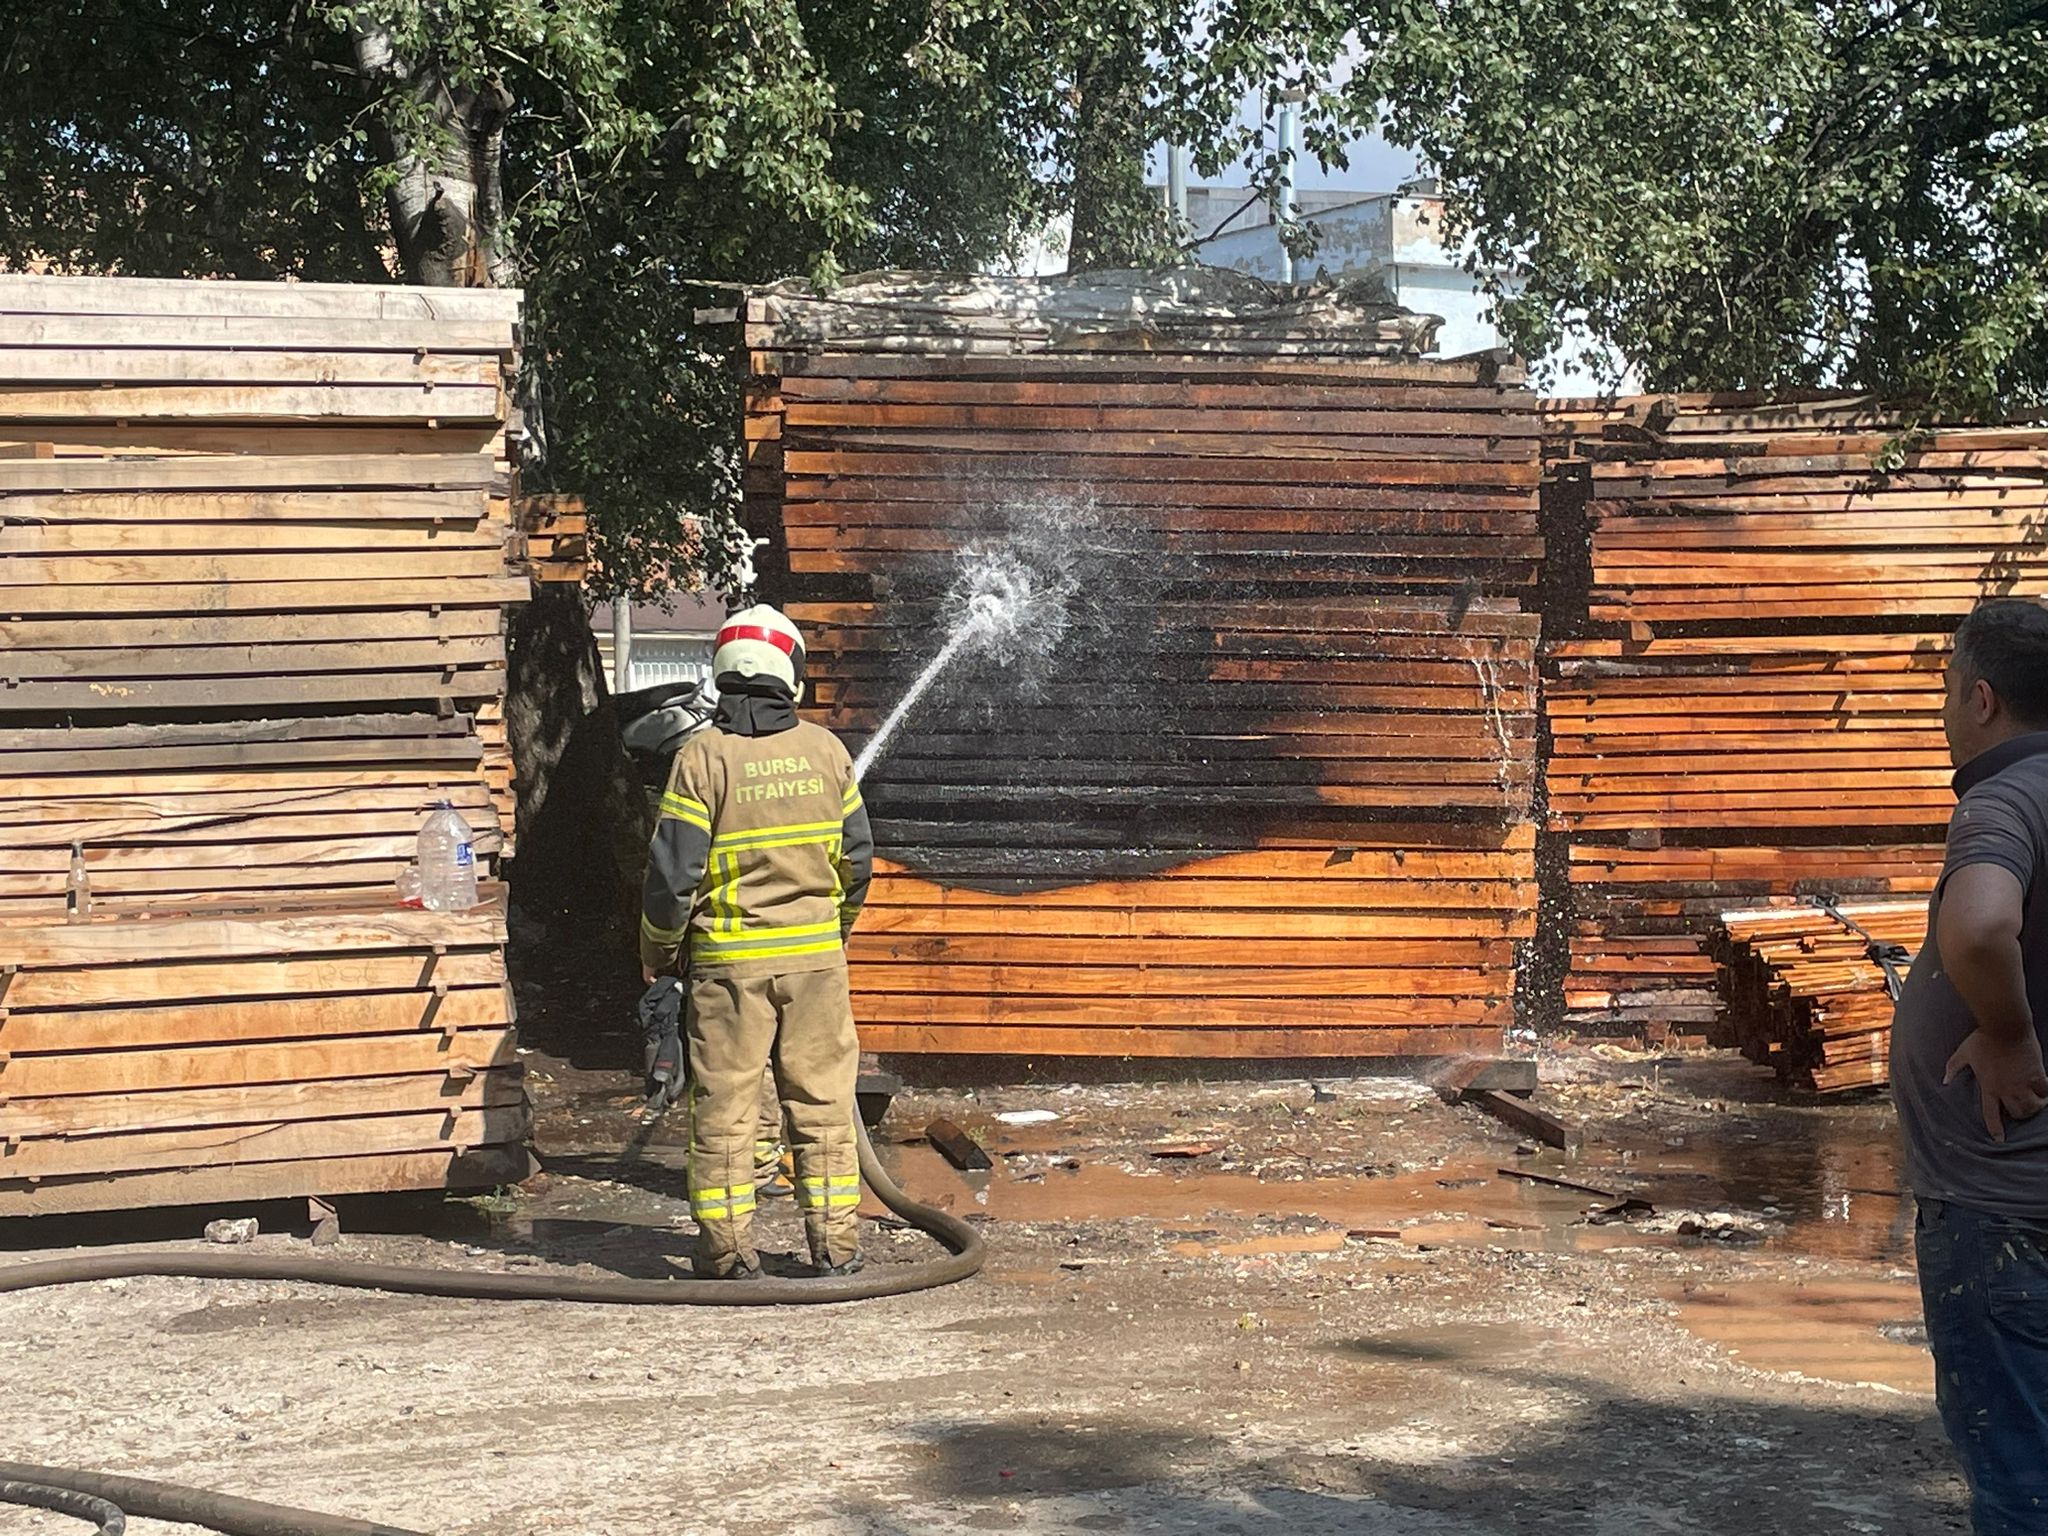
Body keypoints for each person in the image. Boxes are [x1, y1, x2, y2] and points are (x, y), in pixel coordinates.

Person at [639, 604, 873, 1278]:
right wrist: (835, 931)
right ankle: (835, 1249)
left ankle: (728, 1255)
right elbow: (858, 859)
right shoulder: (827, 752)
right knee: (824, 1107)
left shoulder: (700, 759)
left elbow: (671, 874)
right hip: (817, 966)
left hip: (728, 970)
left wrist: (659, 951)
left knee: (726, 1113)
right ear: (791, 673)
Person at [1894, 598, 2048, 1533]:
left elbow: (1983, 923)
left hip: (2001, 1201)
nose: (1947, 710)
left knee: (2019, 1466)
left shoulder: (2006, 795)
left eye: (1949, 692)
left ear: (1982, 699)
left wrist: (2006, 1032)